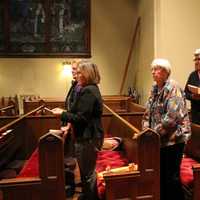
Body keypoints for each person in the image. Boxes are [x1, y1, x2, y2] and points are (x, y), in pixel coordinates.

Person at [142, 58, 191, 200]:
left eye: (156, 69)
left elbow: (172, 118)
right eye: (152, 69)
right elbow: (147, 113)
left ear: (165, 72)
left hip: (174, 139)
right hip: (158, 139)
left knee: (171, 177)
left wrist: (152, 133)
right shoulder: (155, 88)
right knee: (161, 175)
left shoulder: (173, 88)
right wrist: (146, 129)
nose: (153, 72)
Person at [61, 60, 104, 200]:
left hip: (89, 137)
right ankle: (87, 195)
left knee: (88, 173)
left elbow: (81, 118)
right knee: (85, 171)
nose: (76, 75)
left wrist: (61, 114)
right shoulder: (86, 89)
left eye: (79, 72)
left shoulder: (89, 91)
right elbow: (76, 110)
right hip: (86, 136)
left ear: (87, 74)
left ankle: (91, 197)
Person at [184, 48, 200, 124]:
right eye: (195, 60)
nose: (196, 62)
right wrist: (192, 96)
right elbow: (185, 93)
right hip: (196, 116)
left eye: (199, 59)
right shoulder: (192, 75)